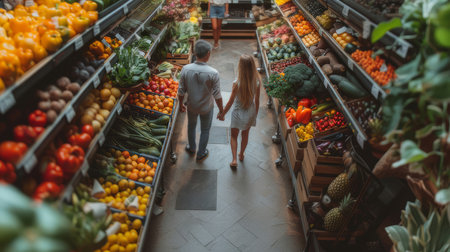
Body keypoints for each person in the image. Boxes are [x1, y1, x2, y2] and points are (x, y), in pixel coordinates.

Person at [178, 40, 224, 161]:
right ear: (208, 54)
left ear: (195, 53)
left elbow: (181, 91)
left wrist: (181, 104)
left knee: (191, 126)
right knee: (205, 130)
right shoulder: (213, 73)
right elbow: (217, 95)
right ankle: (201, 153)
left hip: (192, 106)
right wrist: (221, 110)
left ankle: (192, 147)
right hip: (206, 108)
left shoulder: (185, 69)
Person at [218, 54, 261, 168]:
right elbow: (257, 101)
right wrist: (255, 115)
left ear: (240, 67)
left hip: (238, 113)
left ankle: (234, 160)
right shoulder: (257, 82)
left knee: (233, 136)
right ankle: (241, 154)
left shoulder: (237, 83)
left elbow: (231, 101)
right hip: (250, 112)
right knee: (245, 135)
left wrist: (222, 114)